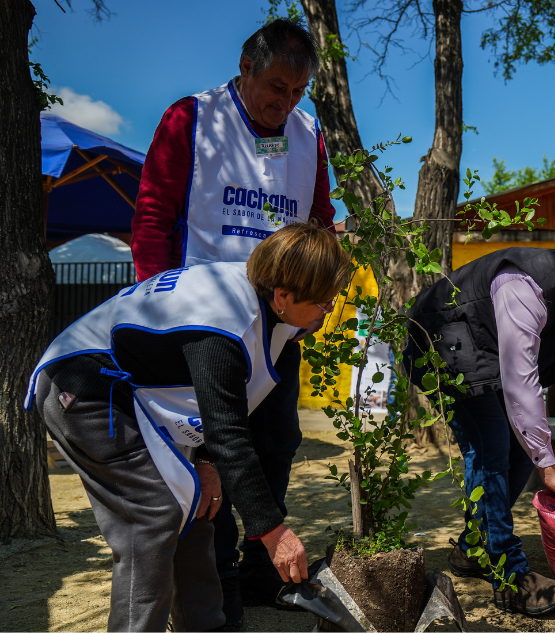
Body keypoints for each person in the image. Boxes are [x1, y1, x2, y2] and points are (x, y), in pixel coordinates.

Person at [27, 223, 352, 632]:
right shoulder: (222, 323)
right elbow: (228, 434)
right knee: (153, 516)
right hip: (82, 390)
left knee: (197, 511)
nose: (328, 312)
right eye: (324, 303)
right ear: (284, 296)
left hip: (133, 396)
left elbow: (223, 413)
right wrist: (273, 533)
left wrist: (208, 467)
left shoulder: (262, 302)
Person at [129, 18, 336, 625]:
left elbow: (320, 217)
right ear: (246, 67)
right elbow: (151, 216)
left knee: (276, 444)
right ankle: (213, 587)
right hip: (202, 327)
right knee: (215, 451)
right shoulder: (191, 119)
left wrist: (315, 301)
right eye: (275, 86)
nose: (284, 103)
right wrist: (153, 307)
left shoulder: (307, 135)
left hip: (278, 327)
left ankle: (256, 571)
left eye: (297, 93)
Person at [404, 248, 555, 616]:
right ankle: (511, 577)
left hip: (490, 353)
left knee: (521, 452)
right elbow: (521, 383)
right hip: (446, 344)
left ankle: (472, 548)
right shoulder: (523, 287)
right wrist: (547, 469)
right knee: (491, 448)